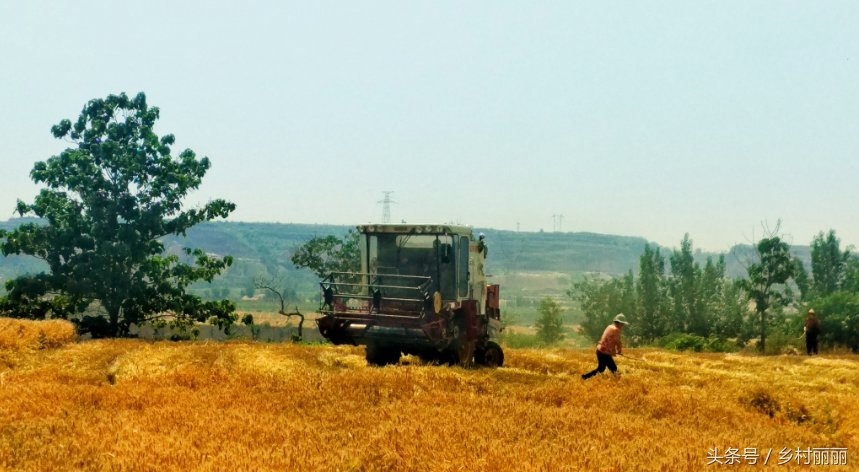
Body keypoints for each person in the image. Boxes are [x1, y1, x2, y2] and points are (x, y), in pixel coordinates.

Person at [582, 313, 629, 380]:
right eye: (622, 324)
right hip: (605, 353)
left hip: (599, 350)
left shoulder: (609, 326)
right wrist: (619, 351)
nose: (623, 325)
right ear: (619, 323)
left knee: (601, 369)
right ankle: (619, 382)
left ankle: (585, 377)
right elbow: (618, 342)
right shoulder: (616, 330)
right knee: (614, 369)